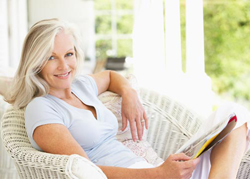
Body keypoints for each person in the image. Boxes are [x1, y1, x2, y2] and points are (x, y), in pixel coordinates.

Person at [2, 18, 249, 179]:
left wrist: (129, 93)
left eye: (69, 54)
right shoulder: (41, 109)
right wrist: (160, 173)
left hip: (149, 170)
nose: (64, 65)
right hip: (141, 176)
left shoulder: (81, 86)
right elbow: (86, 172)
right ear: (35, 61)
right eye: (51, 57)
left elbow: (110, 76)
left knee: (235, 116)